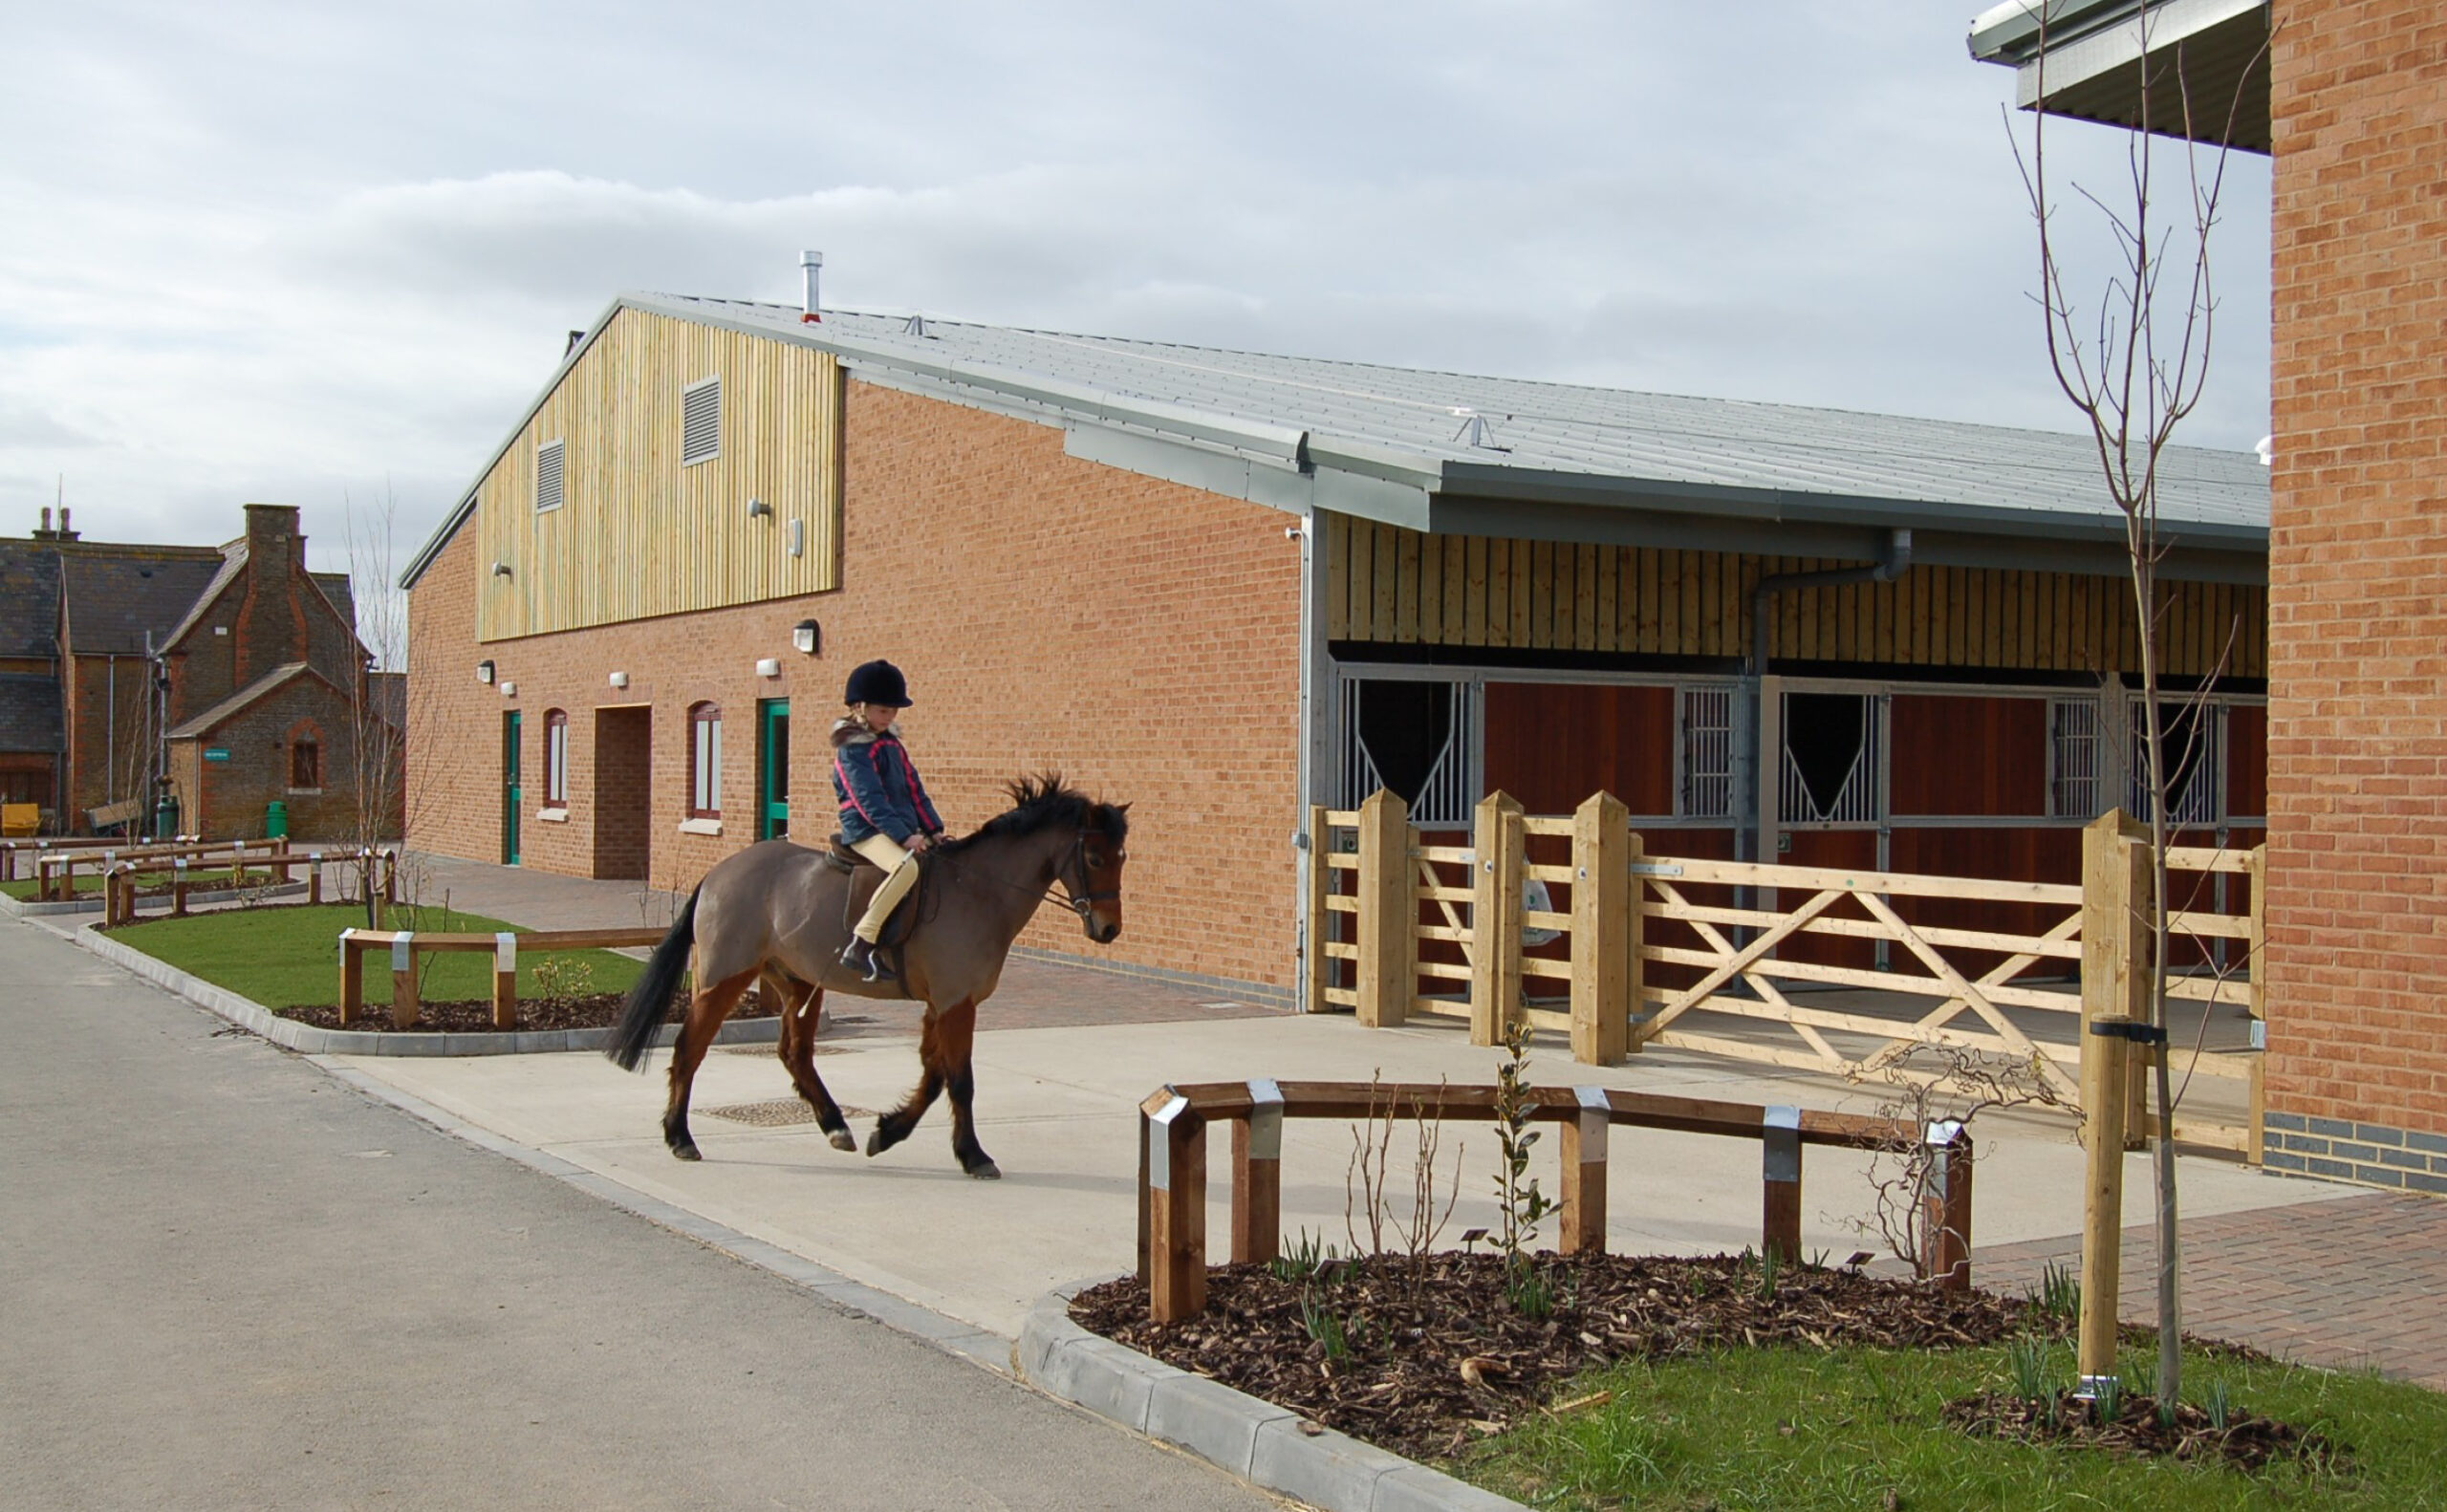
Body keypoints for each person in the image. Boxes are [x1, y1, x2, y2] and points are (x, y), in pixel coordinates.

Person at [832, 659, 943, 982]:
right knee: (906, 867)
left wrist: (934, 830)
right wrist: (904, 837)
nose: (890, 717)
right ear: (860, 707)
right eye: (883, 711)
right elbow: (869, 800)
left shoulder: (892, 744)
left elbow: (913, 790)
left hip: (901, 827)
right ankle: (862, 941)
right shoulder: (851, 749)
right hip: (866, 830)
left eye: (894, 711)